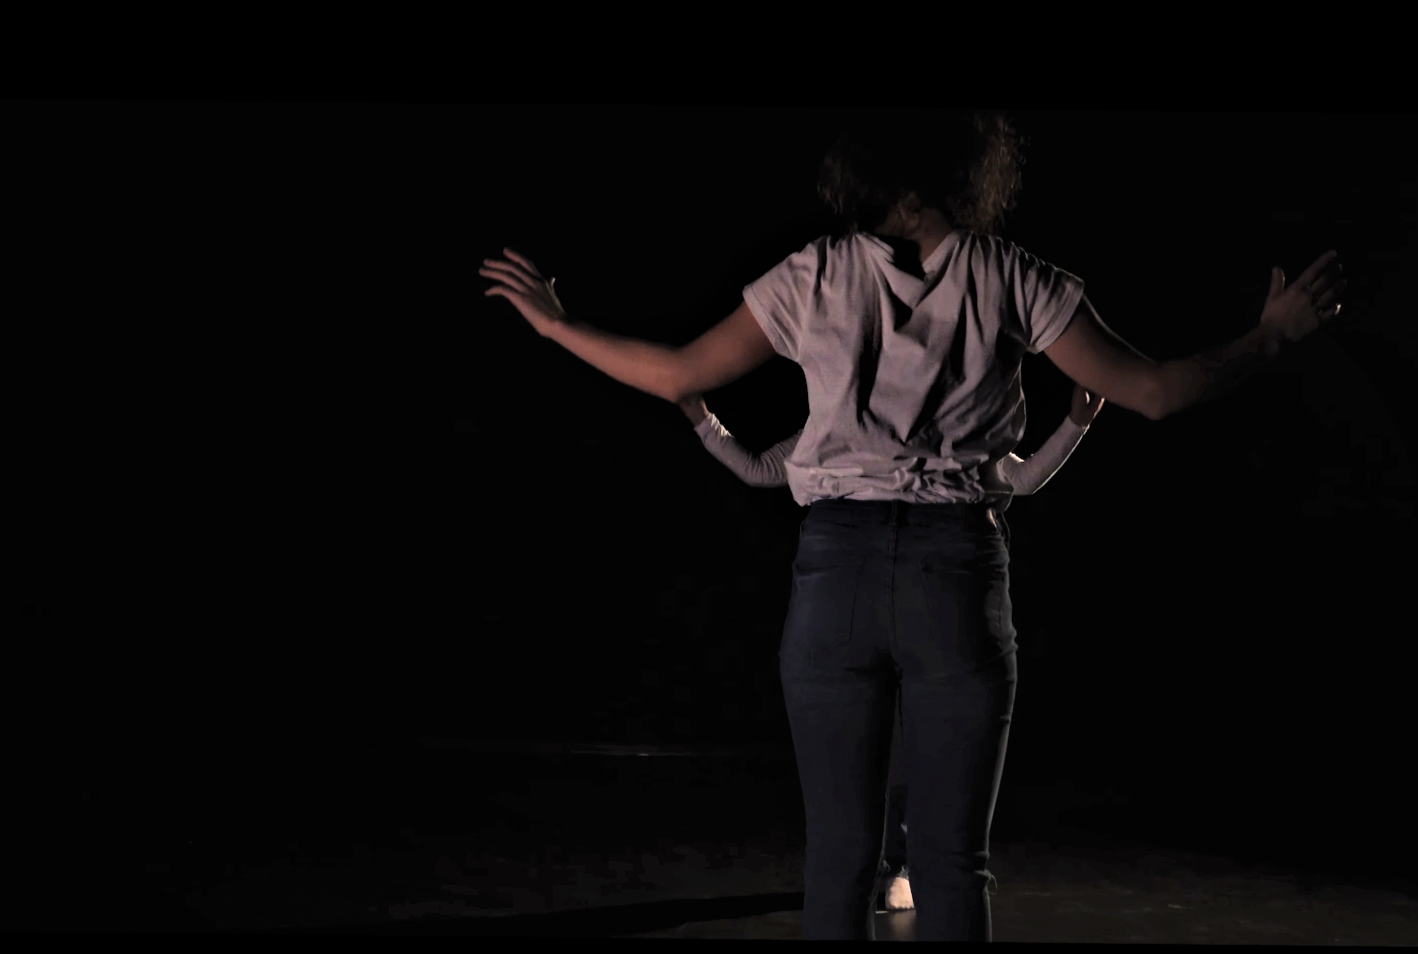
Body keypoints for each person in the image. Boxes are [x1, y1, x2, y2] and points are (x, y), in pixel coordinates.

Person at [479, 108, 1345, 942]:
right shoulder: (1008, 273)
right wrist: (1268, 340)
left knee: (839, 860)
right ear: (965, 172)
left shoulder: (814, 273)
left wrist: (557, 327)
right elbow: (1151, 393)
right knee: (950, 864)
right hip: (954, 572)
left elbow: (678, 375)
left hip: (837, 573)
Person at [677, 381, 1107, 914]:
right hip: (890, 570)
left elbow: (1020, 477)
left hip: (905, 569)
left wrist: (1077, 422)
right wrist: (699, 414)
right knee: (882, 742)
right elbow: (761, 469)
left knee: (906, 740)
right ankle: (885, 867)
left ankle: (894, 865)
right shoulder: (845, 420)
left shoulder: (941, 421)